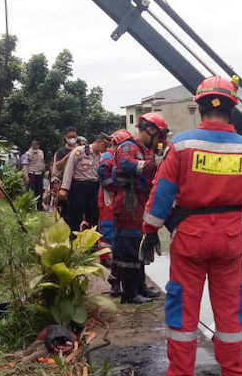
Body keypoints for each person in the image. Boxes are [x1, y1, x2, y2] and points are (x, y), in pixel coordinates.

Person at [140, 76, 242, 376]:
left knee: (183, 308)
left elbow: (162, 195)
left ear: (199, 107)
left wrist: (149, 231)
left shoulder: (182, 146)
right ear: (232, 108)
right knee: (229, 310)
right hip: (230, 237)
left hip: (190, 238)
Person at [113, 113, 167, 304]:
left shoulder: (146, 149)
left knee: (139, 244)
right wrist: (154, 164)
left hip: (140, 201)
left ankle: (140, 286)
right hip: (129, 202)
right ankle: (129, 293)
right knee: (129, 247)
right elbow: (126, 164)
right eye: (157, 136)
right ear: (150, 130)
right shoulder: (129, 147)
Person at [99, 128, 133, 297]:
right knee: (114, 242)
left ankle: (124, 283)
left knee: (121, 244)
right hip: (109, 205)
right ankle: (115, 282)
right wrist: (115, 189)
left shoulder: (117, 157)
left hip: (118, 204)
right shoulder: (108, 157)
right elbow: (104, 177)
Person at [60, 132, 108, 233]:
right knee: (75, 216)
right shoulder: (79, 151)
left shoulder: (101, 156)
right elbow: (69, 169)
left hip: (93, 187)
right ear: (99, 142)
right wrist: (64, 188)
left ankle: (91, 243)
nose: (106, 148)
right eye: (105, 145)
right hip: (78, 187)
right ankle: (73, 242)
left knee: (93, 216)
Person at [51, 127, 79, 222]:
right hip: (64, 183)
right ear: (65, 137)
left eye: (74, 136)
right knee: (65, 210)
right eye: (70, 137)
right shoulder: (61, 151)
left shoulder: (81, 150)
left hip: (77, 182)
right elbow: (57, 166)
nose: (72, 139)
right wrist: (70, 155)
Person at [22, 139, 45, 210]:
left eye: (36, 145)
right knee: (31, 191)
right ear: (32, 146)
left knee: (40, 191)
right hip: (32, 173)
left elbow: (42, 162)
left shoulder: (41, 152)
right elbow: (25, 166)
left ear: (38, 146)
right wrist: (26, 177)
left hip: (39, 173)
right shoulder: (28, 154)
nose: (35, 146)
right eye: (33, 145)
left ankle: (39, 206)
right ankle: (30, 206)